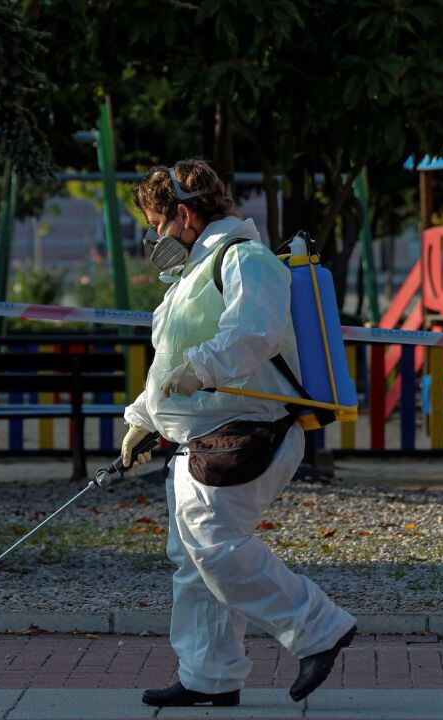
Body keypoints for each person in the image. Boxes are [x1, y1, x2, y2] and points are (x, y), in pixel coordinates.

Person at [122, 160, 356, 709]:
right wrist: (141, 419)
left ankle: (318, 627)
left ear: (183, 213)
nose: (156, 237)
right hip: (201, 439)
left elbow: (255, 332)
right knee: (193, 560)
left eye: (157, 223)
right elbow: (168, 364)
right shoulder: (194, 273)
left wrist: (201, 367)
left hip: (246, 433)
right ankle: (210, 676)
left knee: (214, 544)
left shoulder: (245, 259)